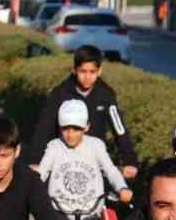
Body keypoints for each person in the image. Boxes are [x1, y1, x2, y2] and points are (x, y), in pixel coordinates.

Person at [26, 45, 137, 179]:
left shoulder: (106, 94)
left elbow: (119, 129)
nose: (87, 77)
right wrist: (35, 160)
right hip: (63, 159)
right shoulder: (60, 94)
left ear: (100, 71)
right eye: (83, 71)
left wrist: (129, 161)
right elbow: (44, 127)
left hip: (94, 162)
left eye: (92, 72)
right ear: (74, 70)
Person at [36, 99, 133, 218]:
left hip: (91, 214)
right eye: (65, 129)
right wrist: (31, 190)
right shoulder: (54, 146)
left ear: (86, 127)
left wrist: (122, 188)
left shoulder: (96, 146)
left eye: (76, 129)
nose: (70, 135)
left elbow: (110, 170)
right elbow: (41, 173)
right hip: (59, 214)